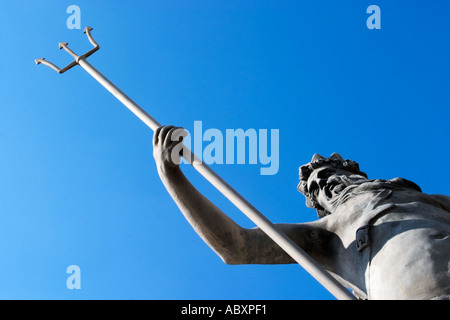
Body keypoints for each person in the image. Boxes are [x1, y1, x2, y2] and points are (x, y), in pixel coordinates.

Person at [153, 125, 450, 300]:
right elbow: (236, 246)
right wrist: (171, 175)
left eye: (326, 173)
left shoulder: (425, 198)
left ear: (352, 172)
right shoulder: (327, 232)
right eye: (315, 187)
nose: (322, 183)